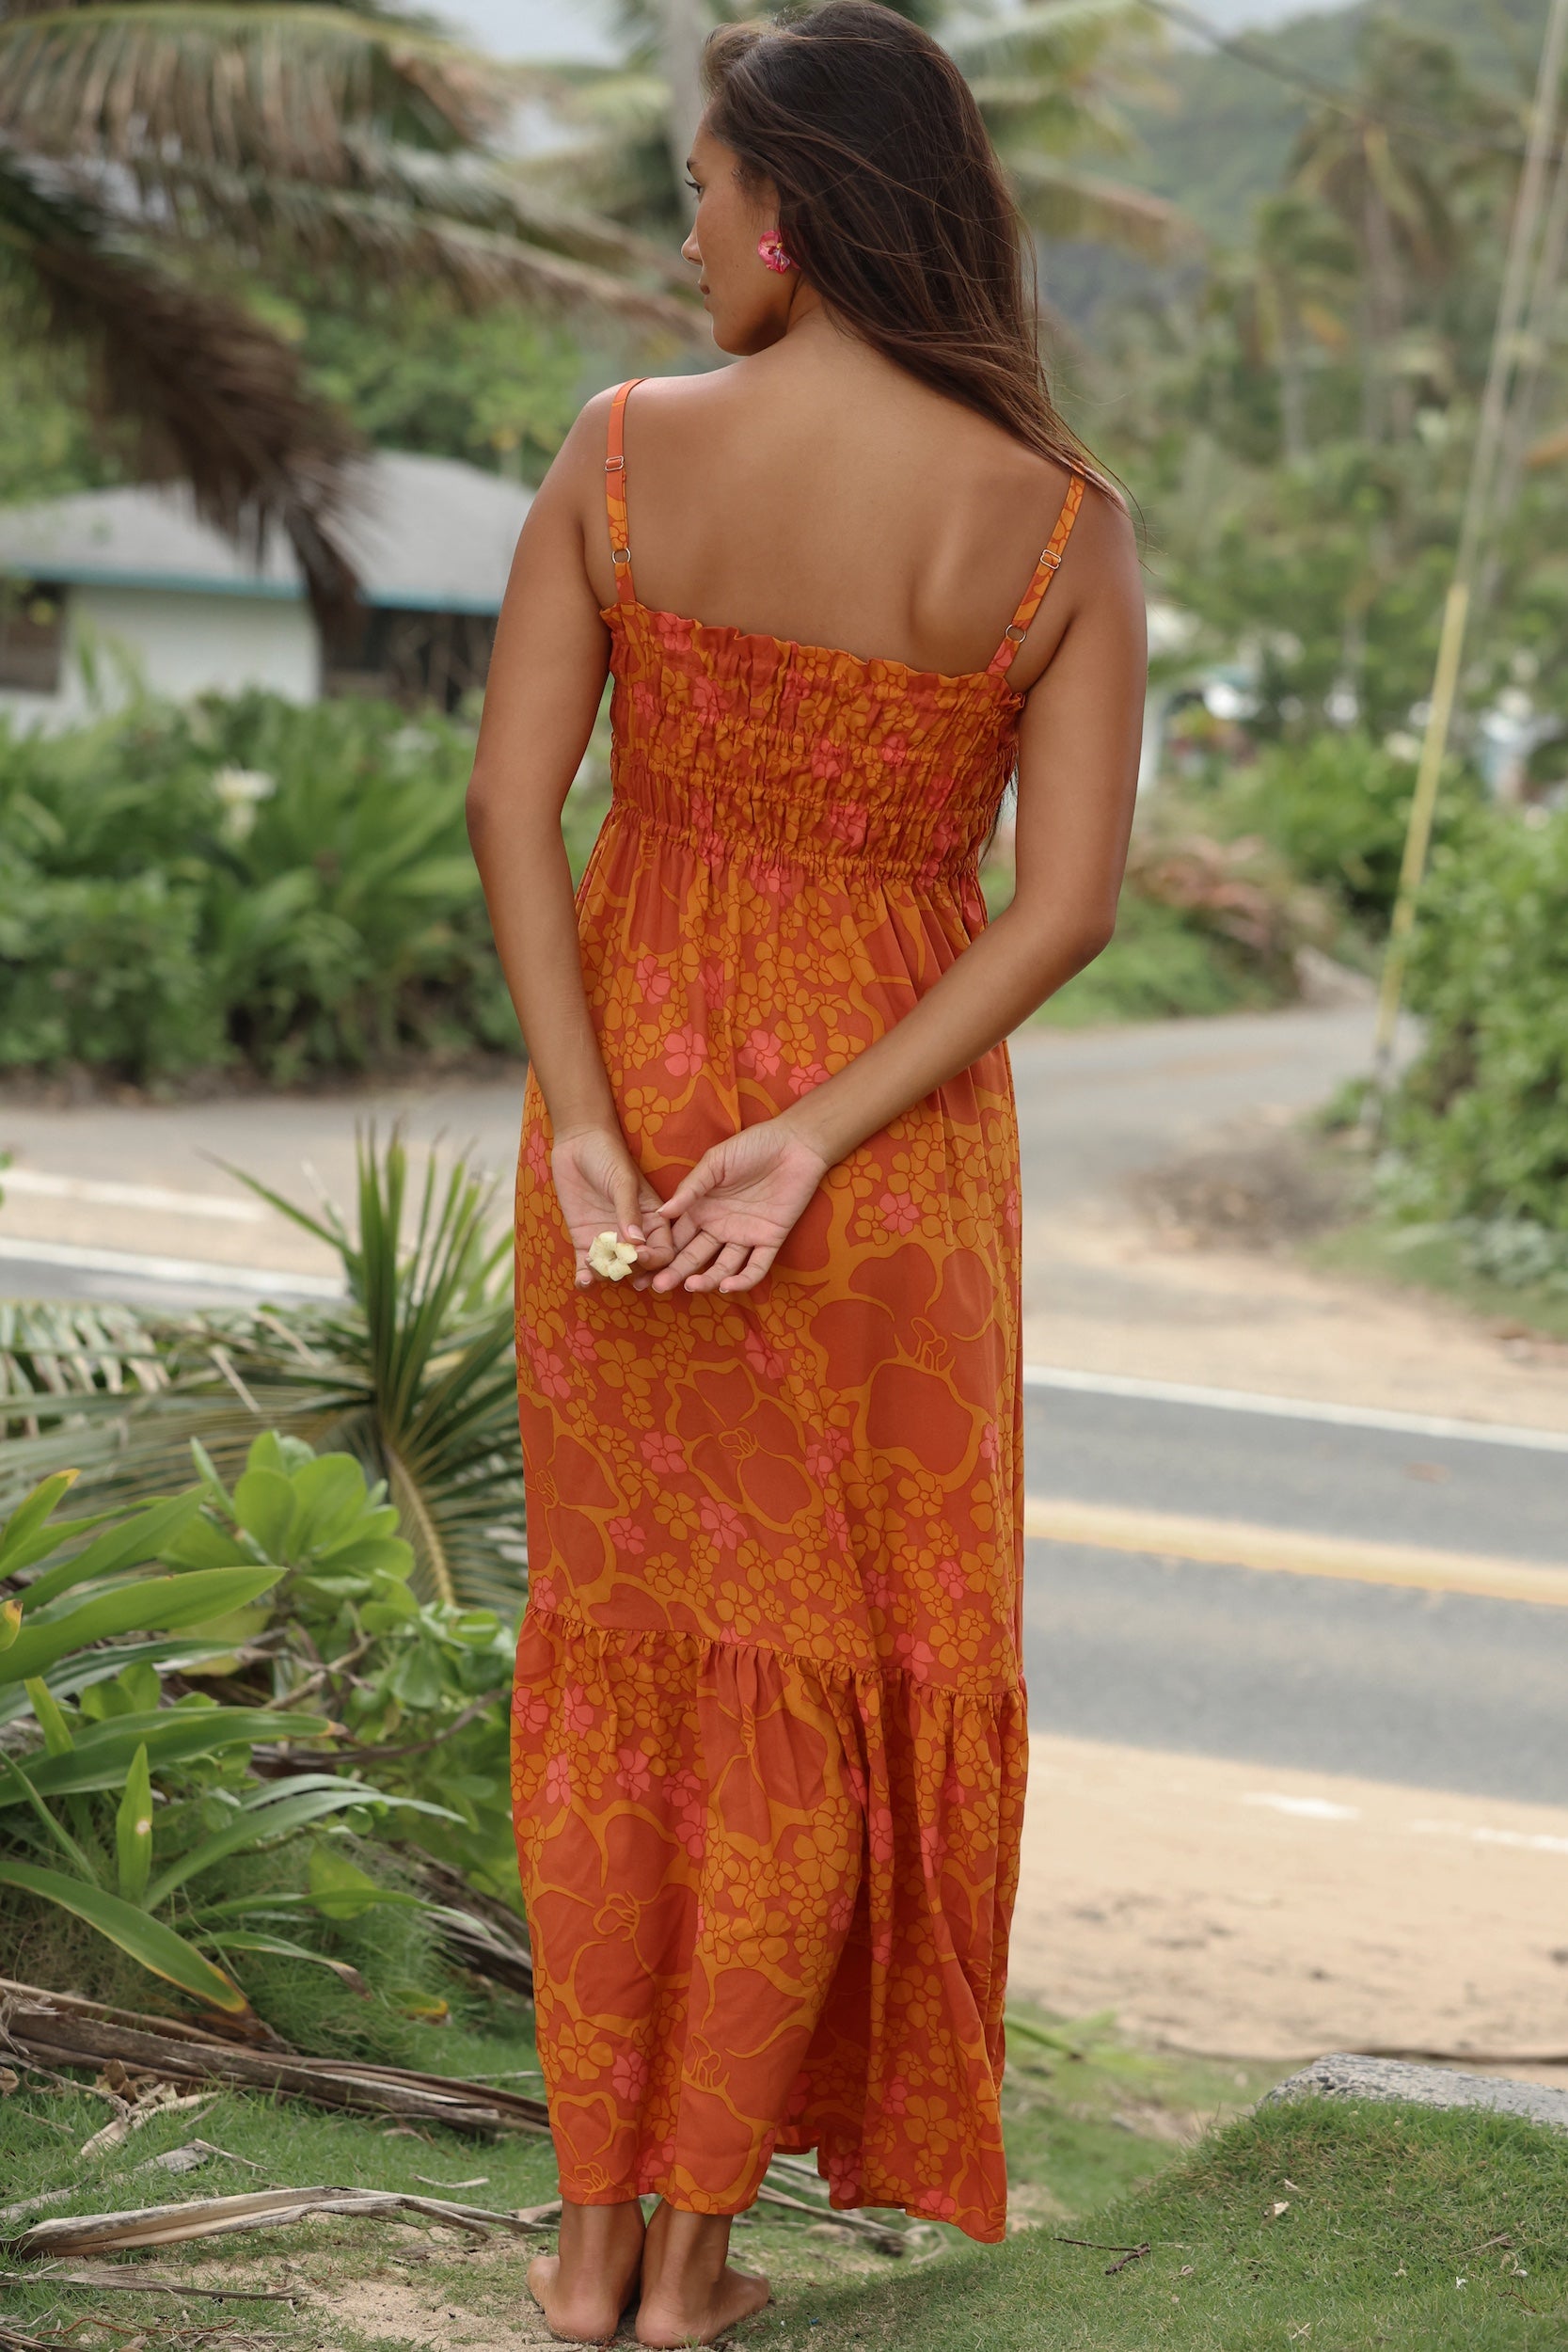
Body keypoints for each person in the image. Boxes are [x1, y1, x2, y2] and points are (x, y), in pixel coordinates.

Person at [467, 3, 1145, 2340]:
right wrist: (831, 1124)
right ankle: (694, 2261)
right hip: (884, 1166)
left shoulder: (629, 449)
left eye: (693, 191)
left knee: (632, 1659)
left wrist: (580, 1120)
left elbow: (513, 808)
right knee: (828, 1670)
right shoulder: (1056, 523)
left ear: (787, 211)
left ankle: (582, 2246)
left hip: (630, 1120)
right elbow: (1064, 906)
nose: (682, 237)